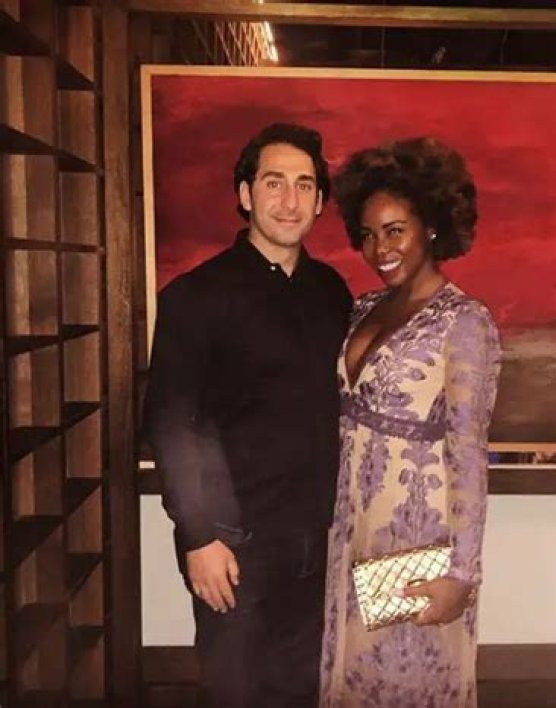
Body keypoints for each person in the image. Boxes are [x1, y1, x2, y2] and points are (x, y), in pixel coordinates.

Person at [144, 123, 352, 708]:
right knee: (233, 690)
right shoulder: (196, 296)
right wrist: (199, 538)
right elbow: (171, 424)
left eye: (304, 185)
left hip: (317, 540)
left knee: (303, 690)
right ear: (245, 193)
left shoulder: (331, 292)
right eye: (273, 182)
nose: (289, 200)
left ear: (319, 201)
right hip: (234, 546)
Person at [320, 137, 501, 707]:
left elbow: (468, 452)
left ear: (432, 227)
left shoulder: (465, 322)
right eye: (368, 234)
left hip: (417, 535)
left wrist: (463, 574)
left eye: (395, 230)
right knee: (352, 678)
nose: (380, 248)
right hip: (349, 529)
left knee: (409, 684)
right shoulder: (364, 309)